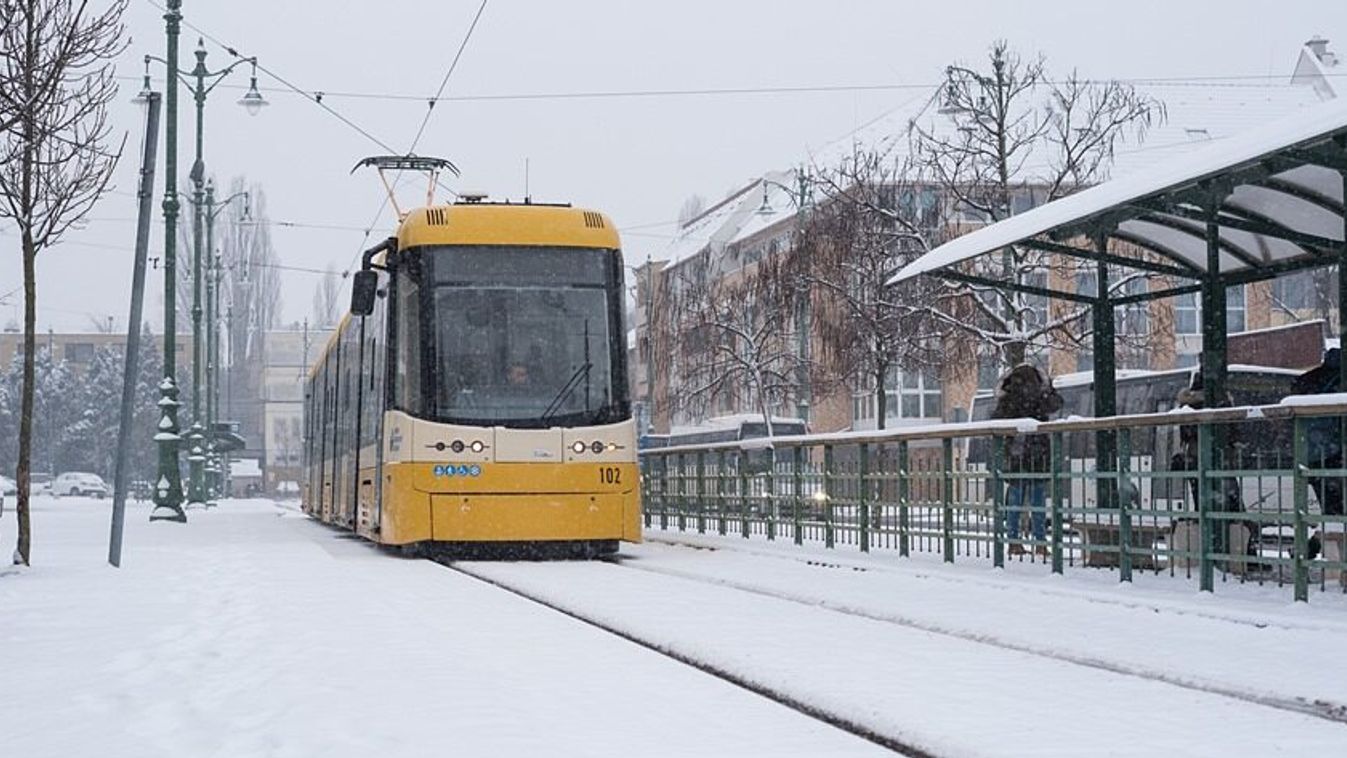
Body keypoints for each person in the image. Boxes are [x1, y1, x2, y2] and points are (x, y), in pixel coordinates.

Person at [991, 364, 1063, 556]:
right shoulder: (1040, 396)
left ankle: (1014, 540)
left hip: (1017, 452)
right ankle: (1039, 542)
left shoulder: (1009, 397)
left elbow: (997, 417)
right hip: (1038, 451)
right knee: (1038, 499)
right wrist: (1050, 388)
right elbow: (1055, 404)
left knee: (1016, 498)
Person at [1173, 370, 1246, 556]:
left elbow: (1185, 435)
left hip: (1195, 460)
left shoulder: (1187, 406)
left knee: (1202, 505)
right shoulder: (1221, 403)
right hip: (1220, 460)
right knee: (1233, 505)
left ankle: (1205, 548)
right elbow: (1234, 432)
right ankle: (1240, 550)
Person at [1291, 348, 1344, 559]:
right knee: (1336, 511)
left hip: (1312, 455)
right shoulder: (1338, 381)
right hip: (1333, 453)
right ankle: (1313, 551)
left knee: (1333, 510)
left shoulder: (1310, 381)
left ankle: (1309, 550)